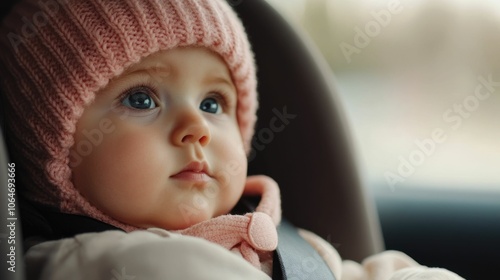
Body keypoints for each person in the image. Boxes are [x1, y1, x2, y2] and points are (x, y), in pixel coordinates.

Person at [0, 0, 464, 279]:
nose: (196, 128)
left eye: (213, 104)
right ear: (55, 153)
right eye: (142, 100)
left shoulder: (282, 241)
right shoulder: (94, 262)